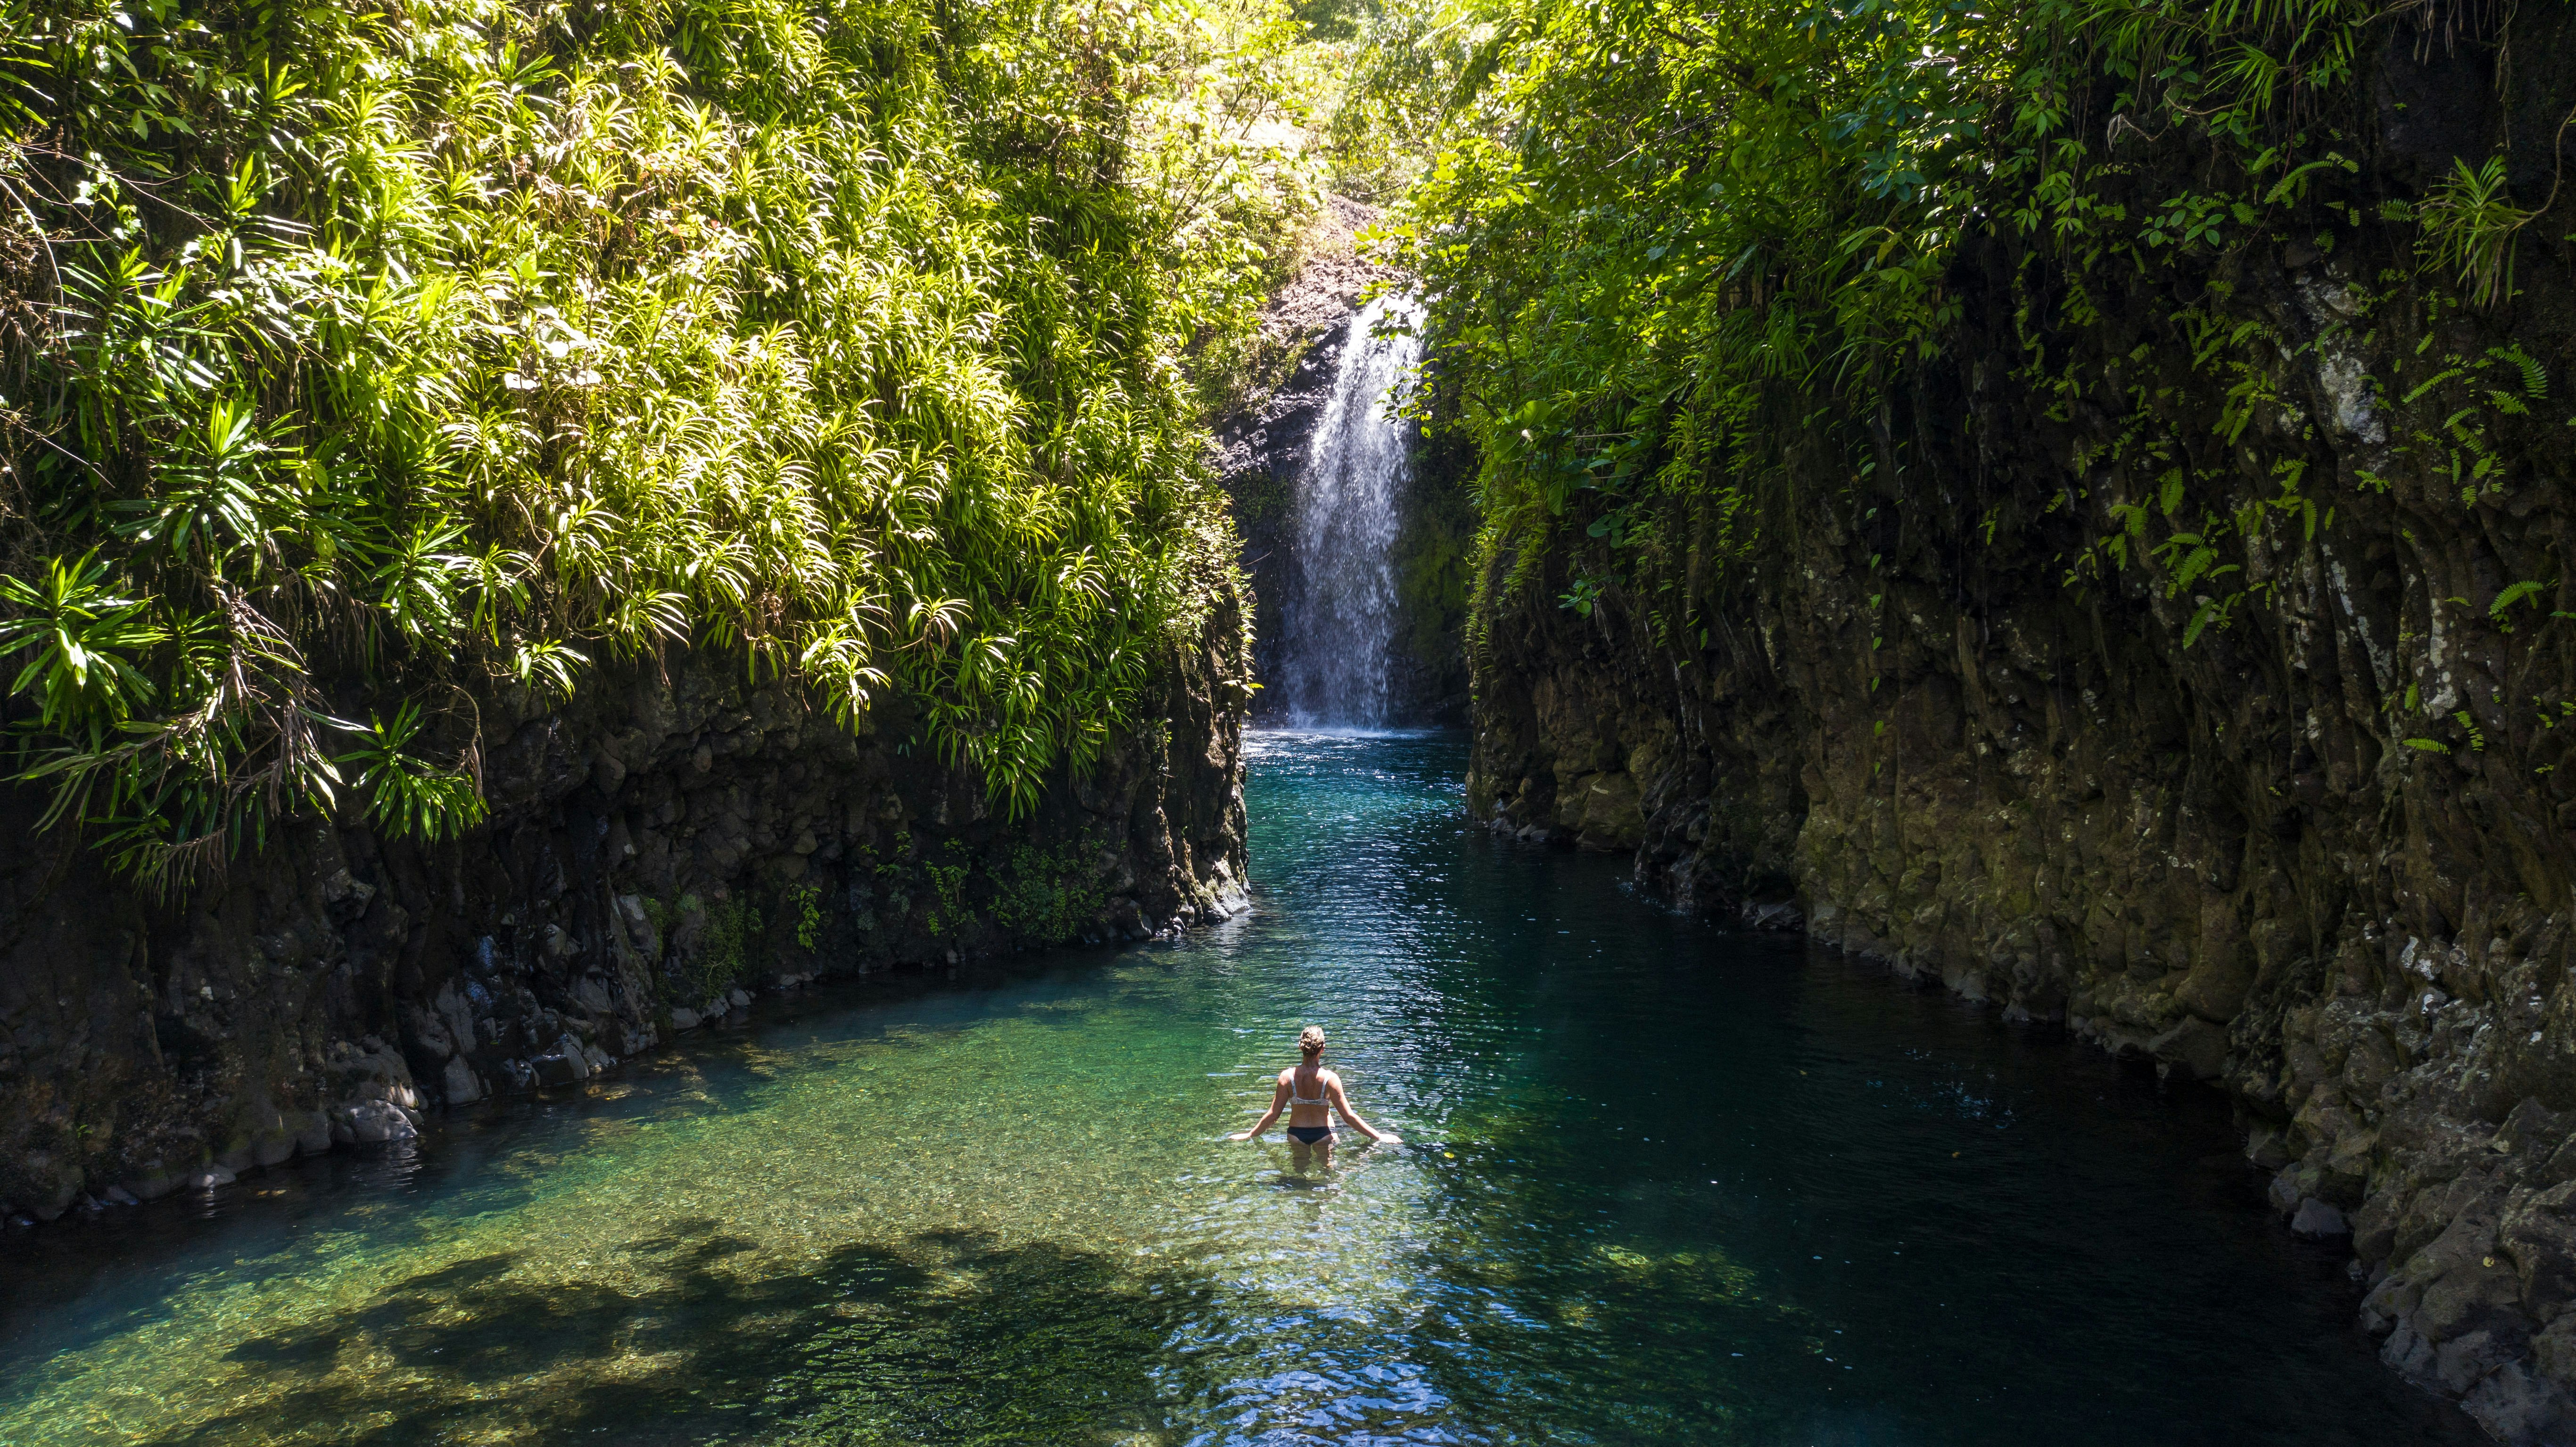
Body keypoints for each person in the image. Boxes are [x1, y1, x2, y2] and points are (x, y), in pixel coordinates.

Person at [1228, 1025, 1399, 1167]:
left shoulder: (1287, 1077)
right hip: (1325, 1135)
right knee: (1328, 1179)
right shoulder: (1331, 1079)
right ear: (1323, 1049)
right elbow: (1348, 1117)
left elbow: (1273, 1115)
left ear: (1300, 1046)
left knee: (1299, 1181)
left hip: (1296, 1135)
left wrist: (1250, 1134)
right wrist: (1379, 1136)